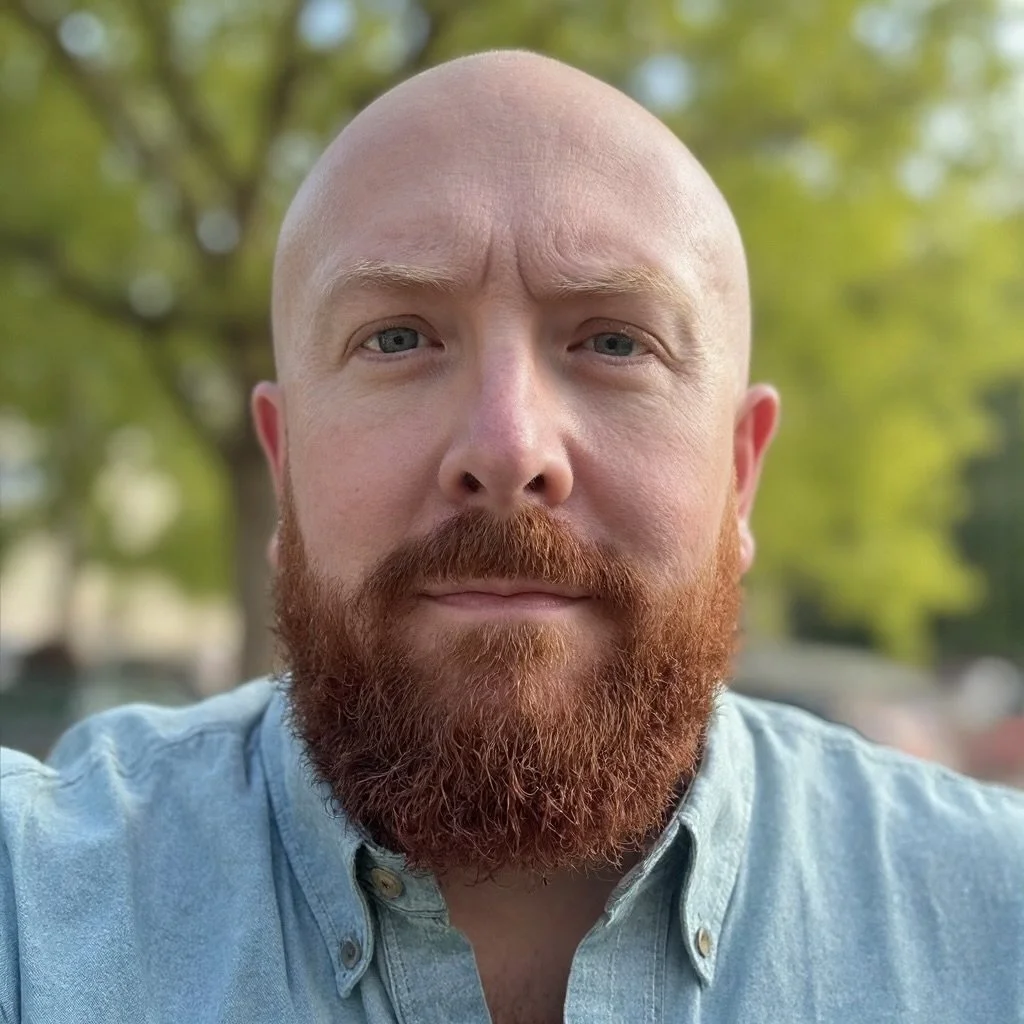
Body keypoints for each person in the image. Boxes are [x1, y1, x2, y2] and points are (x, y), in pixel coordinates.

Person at [1, 51, 1021, 1024]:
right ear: (283, 467)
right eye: (396, 337)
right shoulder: (31, 913)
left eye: (616, 342)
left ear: (740, 473)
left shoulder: (997, 924)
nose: (507, 445)